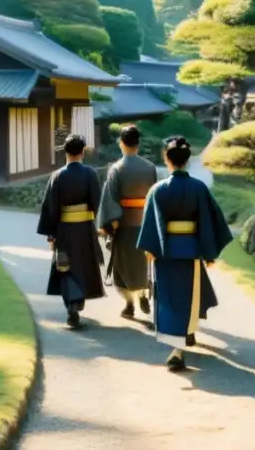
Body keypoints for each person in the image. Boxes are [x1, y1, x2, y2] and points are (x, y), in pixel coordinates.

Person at [136, 136, 233, 371]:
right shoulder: (198, 188)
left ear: (167, 159)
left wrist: (151, 249)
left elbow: (150, 225)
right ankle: (185, 338)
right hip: (191, 250)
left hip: (165, 252)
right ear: (188, 161)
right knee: (189, 297)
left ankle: (177, 350)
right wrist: (207, 251)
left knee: (169, 299)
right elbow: (212, 221)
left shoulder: (157, 190)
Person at [38, 134, 106, 329]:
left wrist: (51, 234)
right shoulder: (90, 174)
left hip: (64, 230)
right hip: (84, 229)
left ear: (65, 152)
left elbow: (50, 208)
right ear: (82, 152)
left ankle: (72, 307)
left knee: (66, 267)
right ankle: (77, 304)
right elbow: (96, 202)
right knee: (82, 266)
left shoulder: (57, 176)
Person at [97, 125, 158, 320]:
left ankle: (129, 304)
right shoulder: (150, 168)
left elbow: (110, 200)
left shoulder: (116, 169)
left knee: (122, 268)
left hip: (124, 225)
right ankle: (142, 295)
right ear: (138, 144)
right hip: (144, 224)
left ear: (121, 143)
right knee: (142, 265)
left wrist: (109, 225)